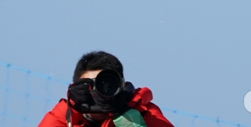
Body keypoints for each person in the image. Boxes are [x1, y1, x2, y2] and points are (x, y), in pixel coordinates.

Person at [38, 51, 174, 127]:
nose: (96, 94)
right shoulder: (65, 116)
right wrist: (72, 107)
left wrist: (122, 114)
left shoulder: (143, 113)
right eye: (88, 87)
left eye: (106, 86)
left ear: (121, 87)